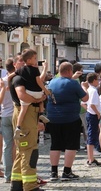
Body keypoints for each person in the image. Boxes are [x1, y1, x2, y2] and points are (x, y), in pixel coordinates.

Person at [9, 54, 47, 191]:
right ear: (16, 64)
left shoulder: (25, 78)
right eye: (21, 62)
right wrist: (38, 99)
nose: (25, 65)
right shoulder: (18, 79)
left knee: (22, 152)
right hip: (25, 116)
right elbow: (22, 96)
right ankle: (30, 186)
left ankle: (17, 184)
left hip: (29, 115)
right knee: (29, 152)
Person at [47, 62, 89, 181]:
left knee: (55, 144)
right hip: (70, 118)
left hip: (53, 118)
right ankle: (67, 171)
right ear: (70, 71)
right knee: (71, 145)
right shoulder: (73, 83)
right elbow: (85, 98)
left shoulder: (52, 82)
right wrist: (84, 87)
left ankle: (53, 172)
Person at [11, 49, 51, 140]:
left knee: (23, 110)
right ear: (29, 60)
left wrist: (6, 82)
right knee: (42, 99)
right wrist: (45, 90)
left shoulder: (21, 70)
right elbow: (39, 81)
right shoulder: (35, 70)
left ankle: (18, 127)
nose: (36, 60)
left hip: (29, 92)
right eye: (35, 58)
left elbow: (12, 75)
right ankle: (41, 112)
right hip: (37, 92)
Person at [84, 73, 101, 167]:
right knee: (91, 136)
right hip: (93, 115)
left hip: (89, 113)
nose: (99, 81)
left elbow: (84, 103)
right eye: (98, 79)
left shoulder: (89, 89)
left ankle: (91, 158)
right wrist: (98, 113)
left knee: (91, 135)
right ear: (94, 80)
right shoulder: (94, 91)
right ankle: (90, 159)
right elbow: (92, 104)